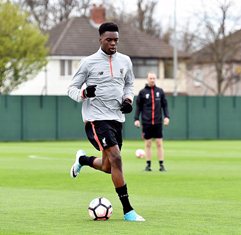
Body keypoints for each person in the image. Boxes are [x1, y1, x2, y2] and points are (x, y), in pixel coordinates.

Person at [67, 22, 145, 222]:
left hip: (117, 119)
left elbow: (129, 84)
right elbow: (71, 89)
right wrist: (84, 93)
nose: (113, 44)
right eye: (109, 40)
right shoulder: (88, 62)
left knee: (109, 167)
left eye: (116, 40)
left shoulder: (125, 61)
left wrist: (129, 100)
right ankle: (128, 211)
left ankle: (83, 160)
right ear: (100, 39)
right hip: (96, 119)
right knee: (117, 159)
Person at [134, 72, 170, 172]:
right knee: (148, 143)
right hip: (146, 122)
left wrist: (167, 117)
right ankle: (148, 165)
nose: (152, 80)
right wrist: (136, 119)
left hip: (158, 122)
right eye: (150, 78)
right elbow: (138, 107)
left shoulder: (160, 91)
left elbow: (165, 106)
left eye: (154, 78)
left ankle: (161, 165)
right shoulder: (142, 92)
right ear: (147, 79)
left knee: (159, 143)